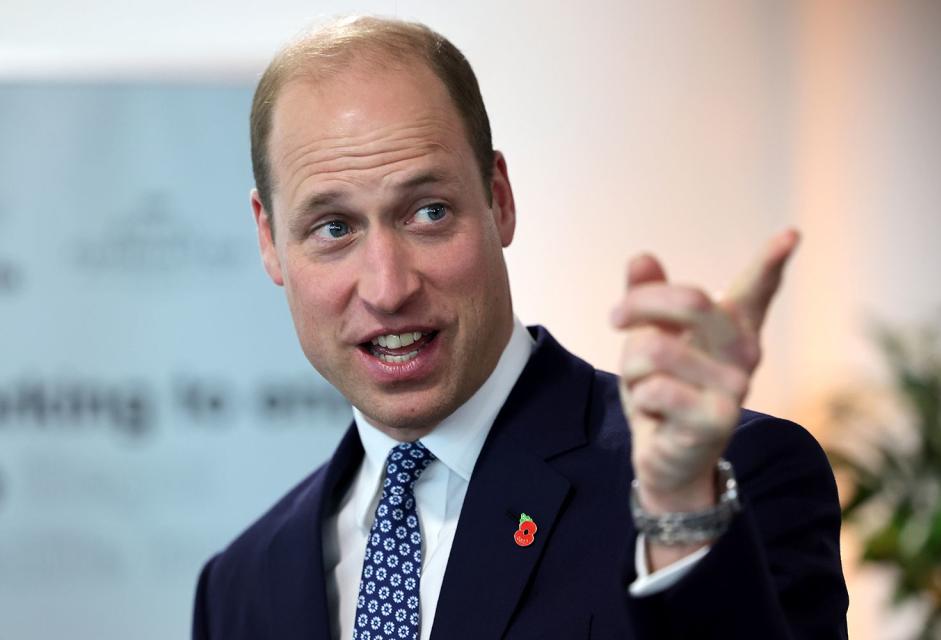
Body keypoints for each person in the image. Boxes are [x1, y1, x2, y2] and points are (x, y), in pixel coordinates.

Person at [193, 15, 848, 639]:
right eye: (334, 229)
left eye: (428, 212)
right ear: (270, 240)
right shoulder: (242, 586)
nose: (388, 288)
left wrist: (682, 518)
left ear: (499, 200)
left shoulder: (725, 481)